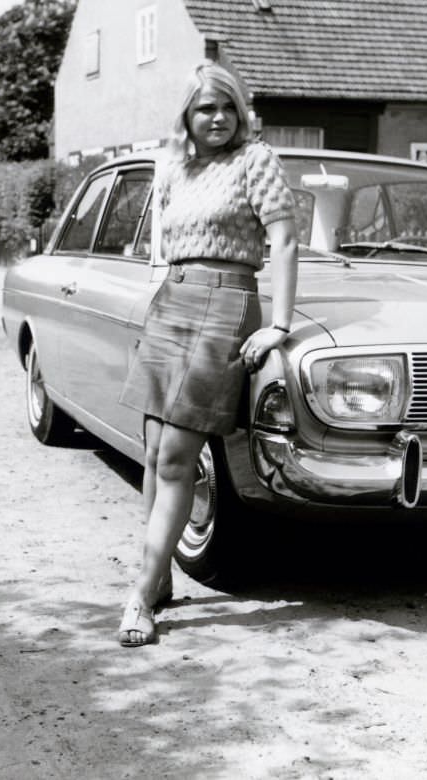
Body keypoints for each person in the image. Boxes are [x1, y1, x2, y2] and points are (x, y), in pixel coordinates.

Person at [117, 60, 298, 646]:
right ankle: (159, 574)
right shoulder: (175, 168)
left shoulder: (256, 160)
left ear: (240, 114)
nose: (217, 118)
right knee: (151, 452)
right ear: (187, 118)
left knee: (175, 458)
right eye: (204, 109)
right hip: (171, 300)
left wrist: (280, 324)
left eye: (226, 107)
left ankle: (141, 595)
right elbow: (162, 247)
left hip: (225, 305)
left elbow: (286, 241)